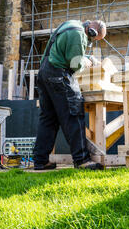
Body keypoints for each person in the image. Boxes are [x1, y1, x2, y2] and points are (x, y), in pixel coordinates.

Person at [33, 19, 107, 171]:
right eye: (93, 39)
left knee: (48, 119)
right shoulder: (78, 33)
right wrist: (86, 62)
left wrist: (84, 58)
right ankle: (82, 160)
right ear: (91, 32)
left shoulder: (71, 24)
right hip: (58, 75)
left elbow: (66, 53)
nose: (91, 42)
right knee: (73, 113)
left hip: (45, 73)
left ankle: (40, 160)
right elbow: (74, 65)